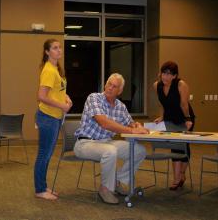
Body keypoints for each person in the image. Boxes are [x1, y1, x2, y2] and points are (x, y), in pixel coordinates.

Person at [74, 73, 149, 205]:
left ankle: (117, 181)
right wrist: (132, 130)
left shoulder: (121, 106)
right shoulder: (94, 98)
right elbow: (104, 123)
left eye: (114, 87)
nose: (110, 88)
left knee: (139, 150)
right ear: (105, 84)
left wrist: (136, 125)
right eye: (109, 84)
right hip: (85, 143)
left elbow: (130, 122)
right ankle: (105, 189)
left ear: (119, 91)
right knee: (110, 151)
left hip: (107, 142)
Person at [34, 39, 73, 200]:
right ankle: (40, 189)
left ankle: (42, 186)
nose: (59, 50)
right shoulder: (49, 70)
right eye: (55, 48)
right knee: (44, 154)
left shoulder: (56, 69)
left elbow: (58, 90)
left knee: (47, 153)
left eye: (60, 47)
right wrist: (62, 106)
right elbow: (41, 96)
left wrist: (66, 99)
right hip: (48, 117)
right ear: (47, 52)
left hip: (54, 117)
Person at [153, 61, 195, 191]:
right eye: (164, 73)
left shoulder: (181, 85)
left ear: (175, 76)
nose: (165, 77)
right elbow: (162, 104)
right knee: (175, 147)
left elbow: (184, 104)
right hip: (170, 118)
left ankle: (181, 175)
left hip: (185, 117)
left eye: (169, 74)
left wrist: (188, 119)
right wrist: (162, 117)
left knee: (183, 146)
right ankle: (177, 178)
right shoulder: (156, 85)